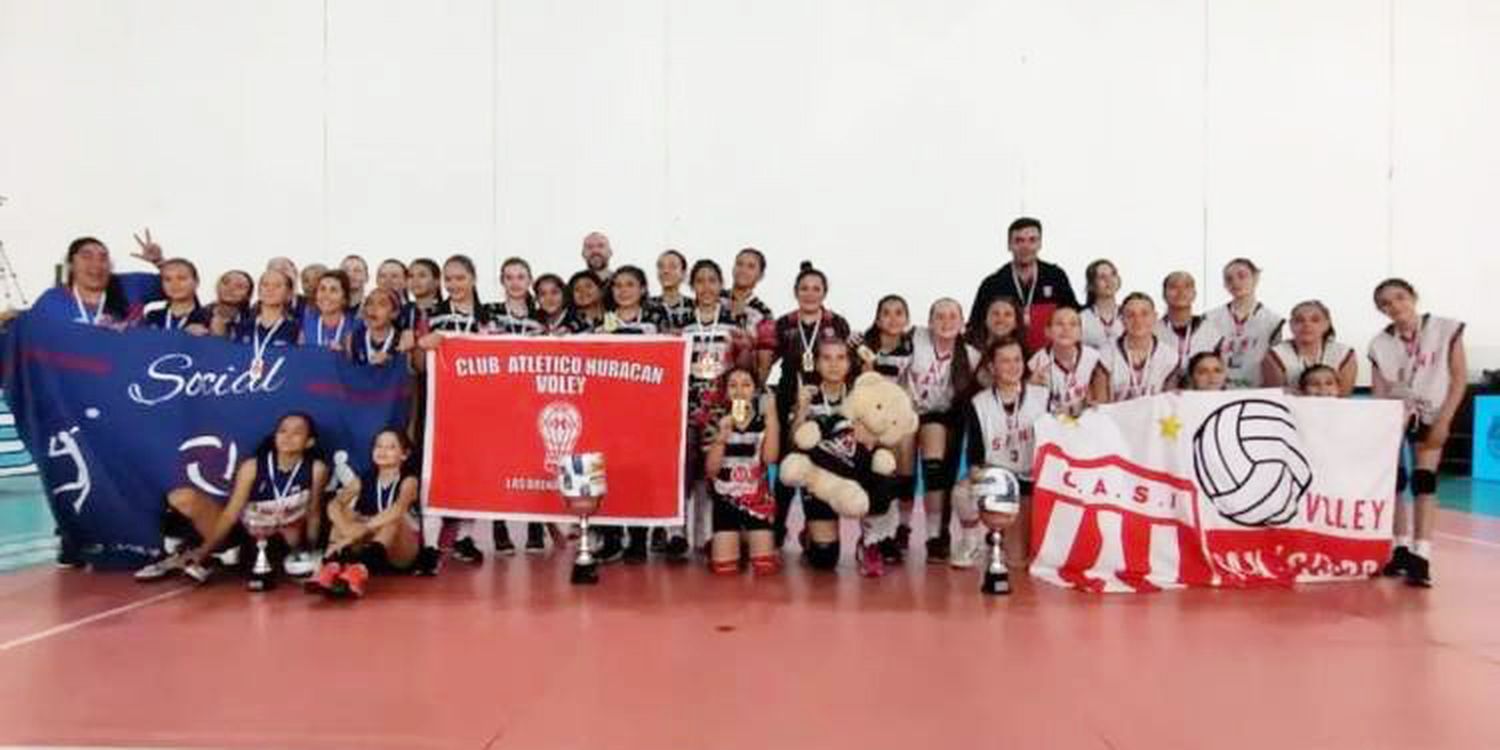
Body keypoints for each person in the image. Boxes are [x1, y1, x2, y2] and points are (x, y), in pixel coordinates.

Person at [136, 413, 330, 590]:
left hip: (284, 539)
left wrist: (308, 552)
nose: (287, 436)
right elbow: (231, 514)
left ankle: (222, 557)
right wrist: (204, 551)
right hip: (249, 534)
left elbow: (313, 514)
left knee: (292, 533)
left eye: (297, 432)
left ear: (309, 442)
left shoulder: (316, 469)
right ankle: (205, 553)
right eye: (283, 430)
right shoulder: (252, 467)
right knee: (183, 497)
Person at [1368, 278, 1466, 588]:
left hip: (1432, 412)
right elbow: (1380, 390)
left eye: (1399, 298)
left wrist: (1445, 421)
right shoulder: (1379, 343)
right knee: (1395, 482)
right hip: (1396, 414)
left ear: (1413, 296)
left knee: (1424, 481)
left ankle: (1422, 554)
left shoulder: (1444, 329)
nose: (1395, 306)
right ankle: (1399, 549)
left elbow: (1459, 378)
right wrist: (1386, 427)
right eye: (1386, 303)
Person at [758, 262, 852, 548]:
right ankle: (777, 526)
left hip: (827, 396)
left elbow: (845, 361)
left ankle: (816, 529)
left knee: (824, 459)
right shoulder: (783, 324)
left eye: (816, 289)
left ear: (825, 292)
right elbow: (767, 363)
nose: (810, 294)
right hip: (791, 395)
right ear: (795, 292)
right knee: (789, 461)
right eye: (804, 289)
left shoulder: (837, 322)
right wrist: (762, 391)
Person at [418, 255, 492, 565]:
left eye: (460, 278)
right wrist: (426, 344)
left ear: (473, 279)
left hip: (478, 405)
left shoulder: (490, 315)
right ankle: (430, 546)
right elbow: (419, 364)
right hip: (441, 404)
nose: (454, 285)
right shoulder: (432, 314)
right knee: (436, 471)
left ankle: (465, 538)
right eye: (448, 279)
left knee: (471, 471)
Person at [596, 266, 670, 563]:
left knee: (639, 472)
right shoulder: (604, 323)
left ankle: (639, 537)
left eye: (630, 285)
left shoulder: (655, 323)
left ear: (642, 289)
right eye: (618, 285)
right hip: (610, 410)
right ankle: (612, 536)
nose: (623, 290)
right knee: (609, 470)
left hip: (645, 410)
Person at [682, 260, 754, 558]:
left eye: (713, 280)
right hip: (687, 403)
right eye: (701, 281)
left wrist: (747, 349)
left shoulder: (734, 325)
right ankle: (682, 533)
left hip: (721, 405)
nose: (707, 287)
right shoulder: (682, 326)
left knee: (715, 470)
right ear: (692, 285)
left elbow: (744, 370)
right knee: (689, 469)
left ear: (720, 284)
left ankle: (713, 534)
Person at [957, 337, 1049, 568]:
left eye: (1017, 359)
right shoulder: (979, 403)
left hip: (1033, 480)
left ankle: (1005, 537)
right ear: (991, 367)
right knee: (961, 492)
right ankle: (972, 542)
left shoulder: (1043, 396)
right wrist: (986, 486)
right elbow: (975, 456)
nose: (1013, 366)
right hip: (1000, 480)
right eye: (1005, 361)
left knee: (1021, 562)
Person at [903, 298, 980, 563]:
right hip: (906, 414)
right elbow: (882, 340)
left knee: (934, 467)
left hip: (939, 417)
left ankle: (935, 535)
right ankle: (902, 527)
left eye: (952, 317)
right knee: (903, 471)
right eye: (939, 316)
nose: (946, 322)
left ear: (962, 322)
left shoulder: (970, 354)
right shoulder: (915, 339)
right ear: (929, 321)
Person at [308, 429, 427, 598]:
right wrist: (345, 526)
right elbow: (334, 504)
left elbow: (398, 509)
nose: (382, 451)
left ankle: (358, 573)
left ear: (404, 454)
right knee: (347, 513)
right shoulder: (364, 479)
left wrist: (357, 532)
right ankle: (330, 568)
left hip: (401, 551)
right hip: (368, 546)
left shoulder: (409, 480)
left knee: (393, 520)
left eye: (391, 447)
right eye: (378, 446)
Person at [787, 338, 865, 571]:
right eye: (826, 358)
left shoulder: (858, 395)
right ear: (817, 364)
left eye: (840, 358)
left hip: (851, 474)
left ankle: (872, 540)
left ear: (849, 364)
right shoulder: (808, 396)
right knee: (824, 560)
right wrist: (801, 410)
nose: (834, 364)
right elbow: (794, 443)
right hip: (820, 479)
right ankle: (810, 533)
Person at [855, 295, 917, 567]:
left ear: (907, 319)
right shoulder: (864, 349)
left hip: (899, 419)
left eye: (899, 313)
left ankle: (898, 529)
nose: (893, 319)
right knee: (882, 464)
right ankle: (875, 536)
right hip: (870, 420)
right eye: (887, 313)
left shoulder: (913, 348)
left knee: (904, 455)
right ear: (878, 319)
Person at [705, 367, 781, 575]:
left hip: (757, 502)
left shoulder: (763, 422)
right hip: (726, 502)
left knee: (764, 567)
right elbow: (711, 471)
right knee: (724, 569)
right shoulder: (715, 421)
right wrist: (721, 438)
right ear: (725, 392)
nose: (739, 391)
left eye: (746, 385)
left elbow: (770, 458)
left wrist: (772, 418)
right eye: (733, 385)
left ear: (755, 391)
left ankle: (749, 539)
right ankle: (733, 540)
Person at [968, 217, 1079, 352]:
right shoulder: (993, 284)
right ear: (1009, 245)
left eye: (1032, 240)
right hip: (1007, 361)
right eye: (1019, 241)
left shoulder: (1056, 277)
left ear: (1040, 244)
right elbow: (975, 326)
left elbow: (1075, 316)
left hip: (1047, 358)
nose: (1025, 247)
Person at [28, 232, 165, 329]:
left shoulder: (131, 285)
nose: (96, 264)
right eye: (86, 256)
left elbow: (181, 287)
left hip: (132, 367)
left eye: (103, 258)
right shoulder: (52, 300)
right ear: (71, 265)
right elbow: (30, 335)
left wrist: (159, 262)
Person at [1205, 258, 1283, 388]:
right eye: (1229, 279)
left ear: (1256, 277)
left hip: (1257, 391)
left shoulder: (1274, 321)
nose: (1236, 282)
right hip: (1219, 391)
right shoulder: (1210, 318)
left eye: (1242, 276)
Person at [1262, 300, 1356, 396]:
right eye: (1299, 320)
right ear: (1291, 325)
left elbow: (1344, 398)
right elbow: (1275, 397)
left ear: (1326, 324)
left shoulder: (1344, 354)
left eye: (1315, 320)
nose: (1307, 325)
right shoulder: (1275, 355)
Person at [1028, 307, 1108, 416]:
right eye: (1059, 324)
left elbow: (1102, 400)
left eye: (1073, 324)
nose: (1066, 329)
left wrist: (1095, 403)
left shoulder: (1093, 358)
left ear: (1080, 332)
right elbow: (1031, 406)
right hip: (1051, 423)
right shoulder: (1037, 362)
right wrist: (1031, 385)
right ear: (1048, 331)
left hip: (1086, 421)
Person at [1105, 293, 1180, 401]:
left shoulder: (1169, 356)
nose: (1138, 320)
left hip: (1156, 416)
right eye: (1130, 315)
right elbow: (1101, 404)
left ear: (1155, 317)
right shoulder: (1107, 354)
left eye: (1144, 314)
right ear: (1122, 320)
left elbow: (1169, 401)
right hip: (1115, 416)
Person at [230, 270, 302, 369]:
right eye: (265, 285)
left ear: (289, 293)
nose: (270, 289)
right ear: (259, 291)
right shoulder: (242, 327)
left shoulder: (296, 329)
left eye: (277, 285)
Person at [1155, 271, 1222, 374]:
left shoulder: (1211, 330)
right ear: (1164, 294)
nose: (1180, 292)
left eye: (1187, 287)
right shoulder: (1153, 331)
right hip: (1164, 388)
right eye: (1173, 287)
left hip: (1202, 389)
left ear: (1194, 294)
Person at [143, 259, 211, 335]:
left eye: (182, 278)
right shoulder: (153, 317)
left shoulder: (207, 318)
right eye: (168, 280)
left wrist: (207, 335)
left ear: (196, 282)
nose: (175, 284)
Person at [300, 270, 359, 355]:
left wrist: (342, 355)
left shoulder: (354, 325)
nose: (326, 295)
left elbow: (358, 362)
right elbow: (300, 357)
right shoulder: (307, 322)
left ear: (344, 298)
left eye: (333, 290)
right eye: (322, 289)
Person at [488, 257, 544, 336]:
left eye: (520, 277)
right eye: (509, 278)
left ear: (530, 280)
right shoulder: (489, 312)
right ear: (502, 281)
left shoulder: (542, 318)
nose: (515, 283)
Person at [352, 288, 407, 368]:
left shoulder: (402, 342)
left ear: (394, 313)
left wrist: (391, 363)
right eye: (370, 303)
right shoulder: (354, 339)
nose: (374, 308)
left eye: (382, 304)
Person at [726, 247, 774, 334]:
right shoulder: (716, 298)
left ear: (761, 275)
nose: (743, 270)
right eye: (739, 264)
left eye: (751, 267)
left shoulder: (763, 312)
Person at [1079, 259, 1124, 350]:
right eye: (1102, 277)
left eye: (1113, 275)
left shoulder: (1128, 315)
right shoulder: (1082, 318)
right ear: (1091, 285)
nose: (1109, 280)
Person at [650, 249, 695, 332]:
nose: (665, 271)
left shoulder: (694, 306)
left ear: (683, 273)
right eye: (661, 267)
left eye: (672, 267)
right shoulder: (648, 306)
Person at [207, 270, 255, 338]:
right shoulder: (197, 316)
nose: (230, 288)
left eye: (239, 286)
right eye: (226, 283)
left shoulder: (253, 323)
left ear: (248, 295)